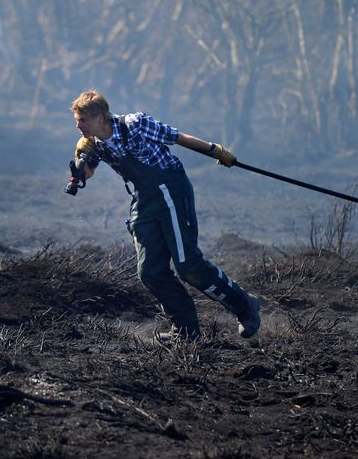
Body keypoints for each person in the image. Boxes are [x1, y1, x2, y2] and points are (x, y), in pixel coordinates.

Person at [69, 90, 260, 342]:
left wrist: (216, 151)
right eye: (77, 120)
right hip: (144, 201)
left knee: (187, 265)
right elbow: (88, 172)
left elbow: (177, 137)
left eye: (83, 120)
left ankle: (245, 305)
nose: (78, 125)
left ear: (101, 116)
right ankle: (187, 332)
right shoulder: (93, 143)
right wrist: (79, 166)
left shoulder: (135, 124)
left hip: (170, 190)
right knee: (150, 271)